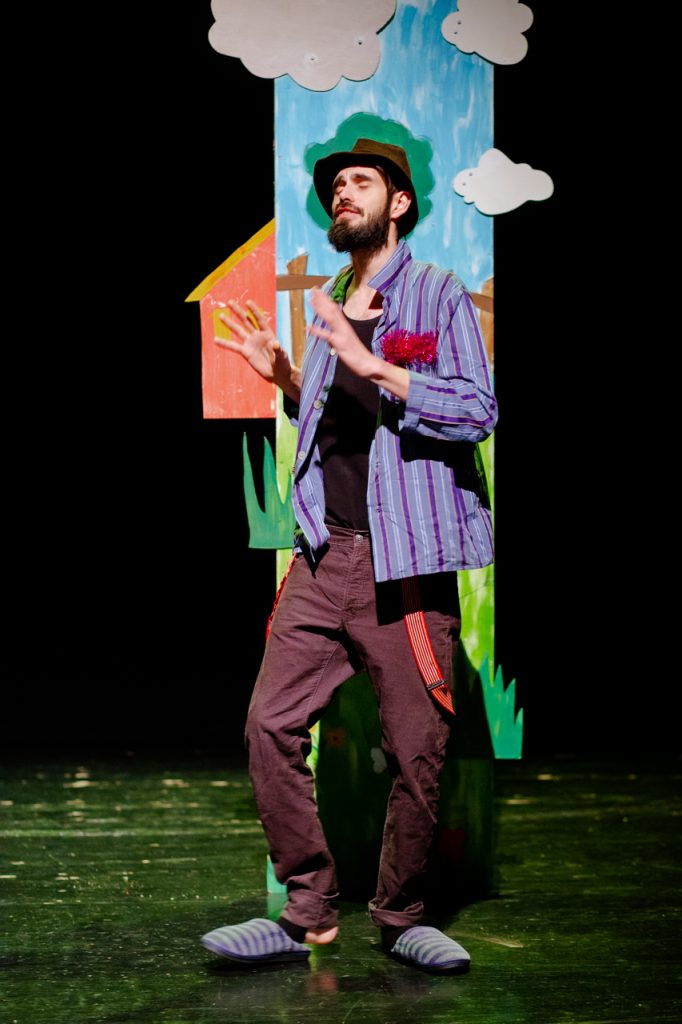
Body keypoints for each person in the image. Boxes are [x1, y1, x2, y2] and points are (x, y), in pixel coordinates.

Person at [201, 138, 497, 972]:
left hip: (405, 564)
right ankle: (308, 911)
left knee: (417, 748)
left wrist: (378, 366)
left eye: (360, 181)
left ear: (398, 203)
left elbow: (477, 410)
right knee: (269, 725)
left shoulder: (435, 294)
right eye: (335, 184)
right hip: (324, 556)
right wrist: (289, 379)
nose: (342, 191)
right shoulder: (331, 301)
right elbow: (340, 426)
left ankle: (400, 917)